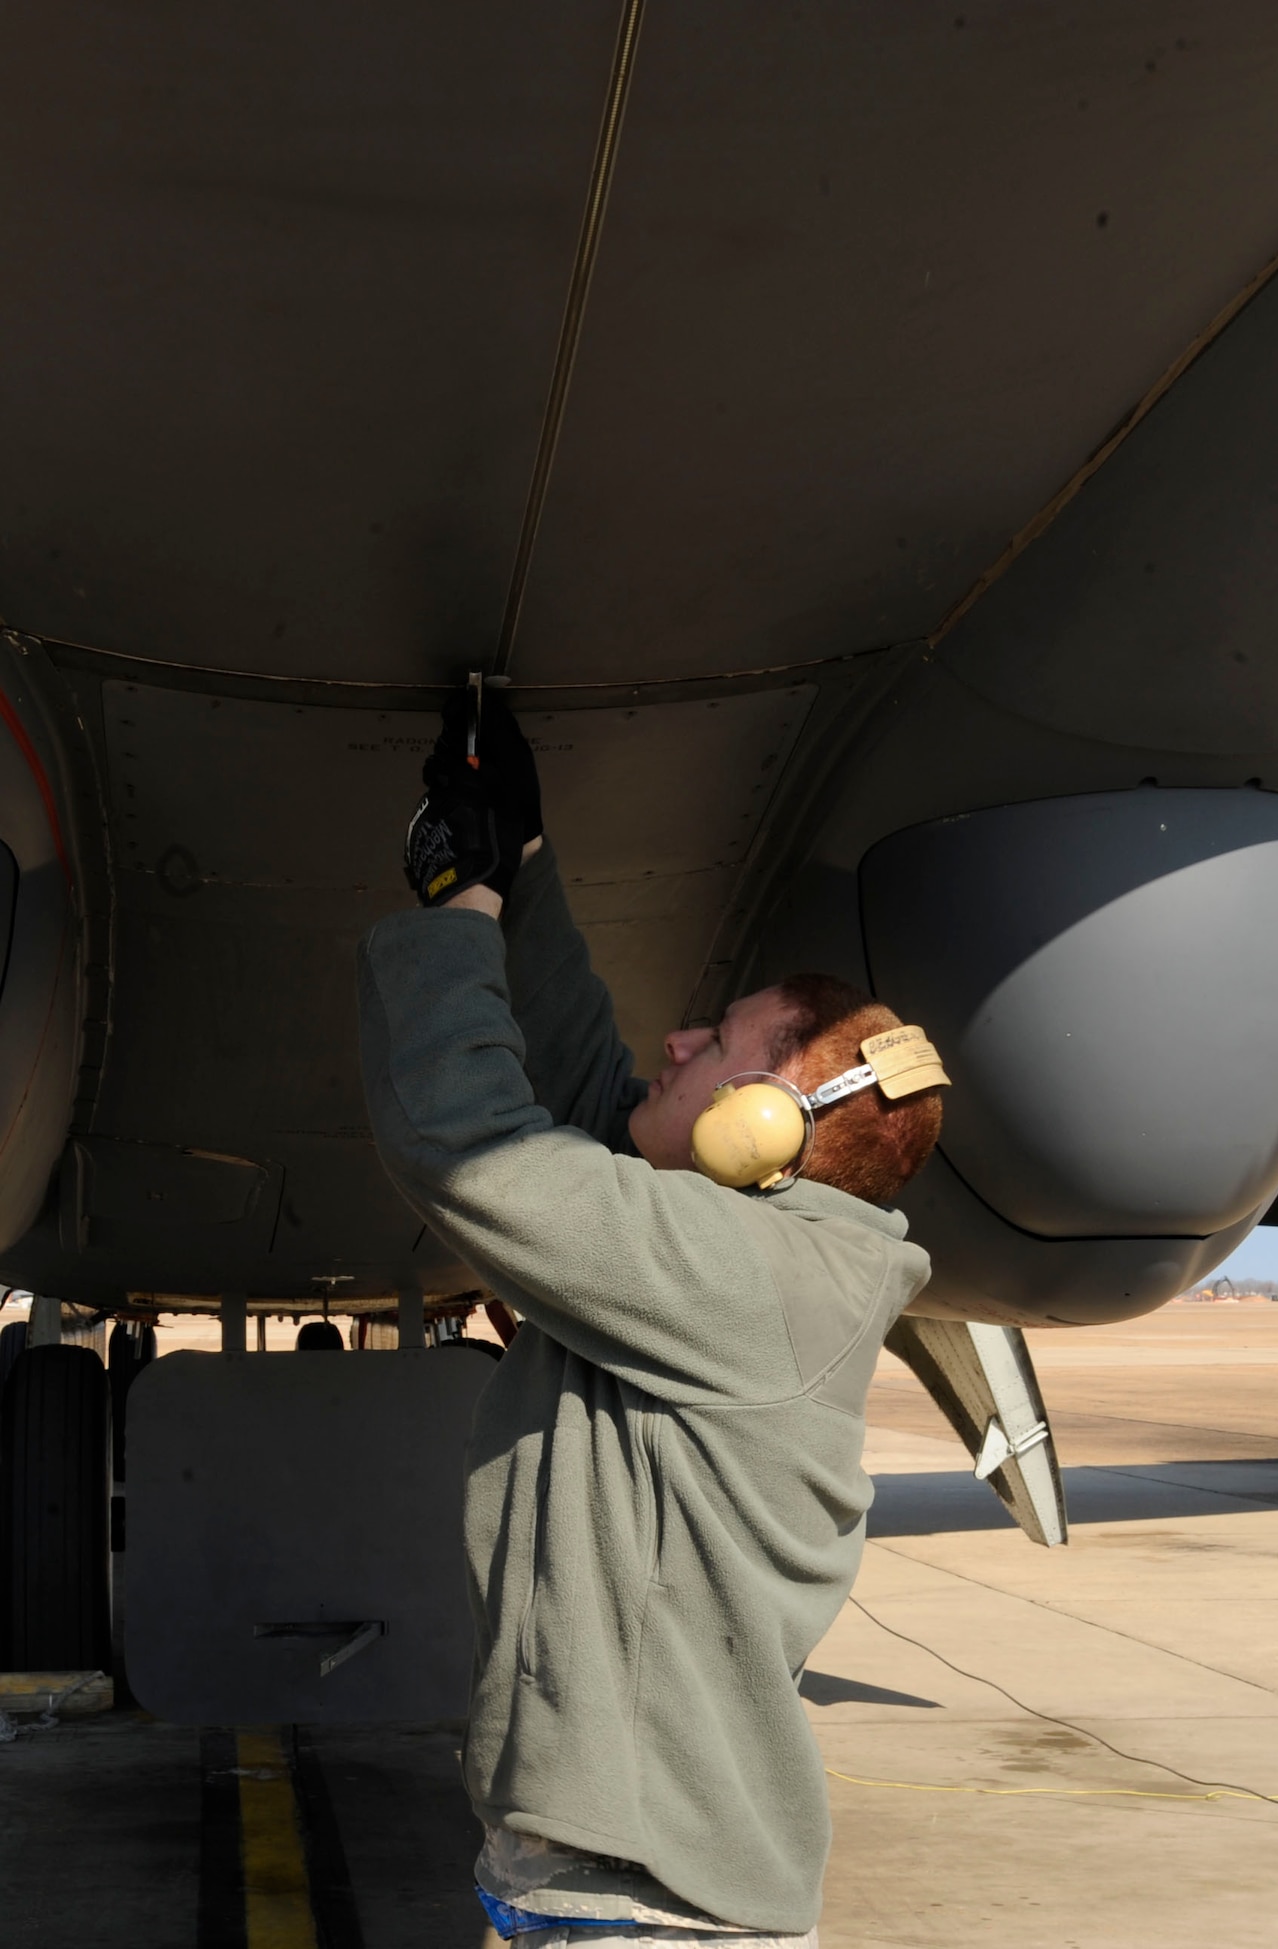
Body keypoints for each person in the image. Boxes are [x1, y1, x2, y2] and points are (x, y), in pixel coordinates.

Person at [356, 693, 944, 1947]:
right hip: (600, 1894)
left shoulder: (755, 1277)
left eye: (716, 1038)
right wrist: (518, 861)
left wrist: (455, 908)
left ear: (772, 1118)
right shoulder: (757, 1255)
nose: (674, 1039)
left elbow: (471, 1144)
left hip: (641, 1918)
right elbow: (583, 1097)